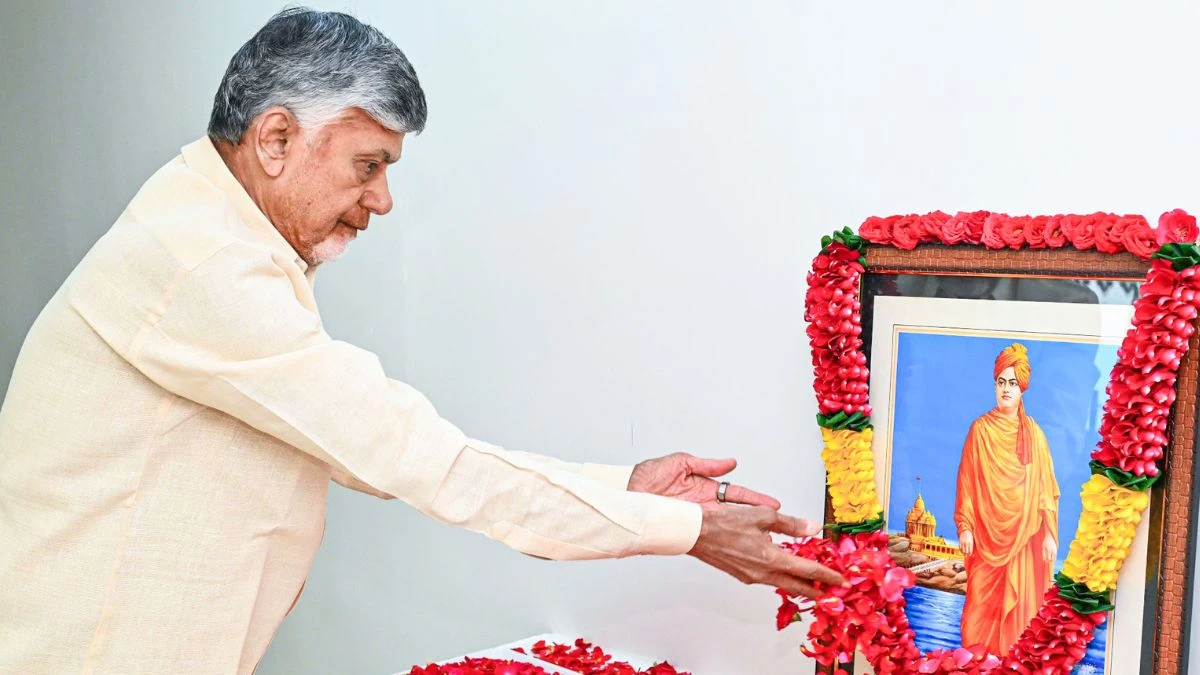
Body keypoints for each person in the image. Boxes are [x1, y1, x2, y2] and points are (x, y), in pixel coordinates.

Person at [0, 8, 842, 673]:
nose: (383, 200)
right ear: (277, 139)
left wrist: (633, 486)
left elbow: (387, 448)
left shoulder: (215, 235)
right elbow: (420, 459)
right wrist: (681, 529)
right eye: (369, 164)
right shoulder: (203, 263)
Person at [954, 343, 1060, 655]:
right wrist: (965, 527)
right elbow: (967, 483)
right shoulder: (980, 430)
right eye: (1001, 381)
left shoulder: (1036, 435)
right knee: (977, 617)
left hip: (1025, 541)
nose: (1006, 389)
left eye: (1012, 383)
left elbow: (1046, 488)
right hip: (986, 541)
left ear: (1022, 388)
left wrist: (1050, 534)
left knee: (1021, 620)